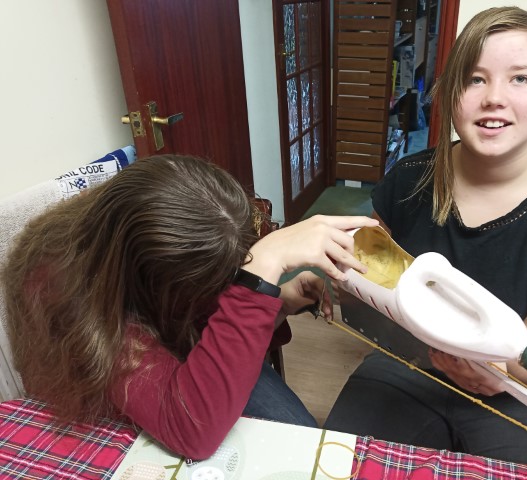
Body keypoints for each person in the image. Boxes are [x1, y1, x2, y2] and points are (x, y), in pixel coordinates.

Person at [324, 6, 527, 474]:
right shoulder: (408, 180)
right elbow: (371, 271)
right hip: (410, 360)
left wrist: (498, 373)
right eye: (475, 79)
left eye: (520, 78)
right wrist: (338, 280)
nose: (494, 98)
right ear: (449, 92)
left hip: (519, 385)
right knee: (340, 466)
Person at [1, 154, 378, 460]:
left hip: (179, 357)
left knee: (302, 441)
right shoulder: (68, 294)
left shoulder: (150, 250)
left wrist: (275, 301)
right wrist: (258, 277)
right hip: (118, 403)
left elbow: (199, 316)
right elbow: (193, 431)